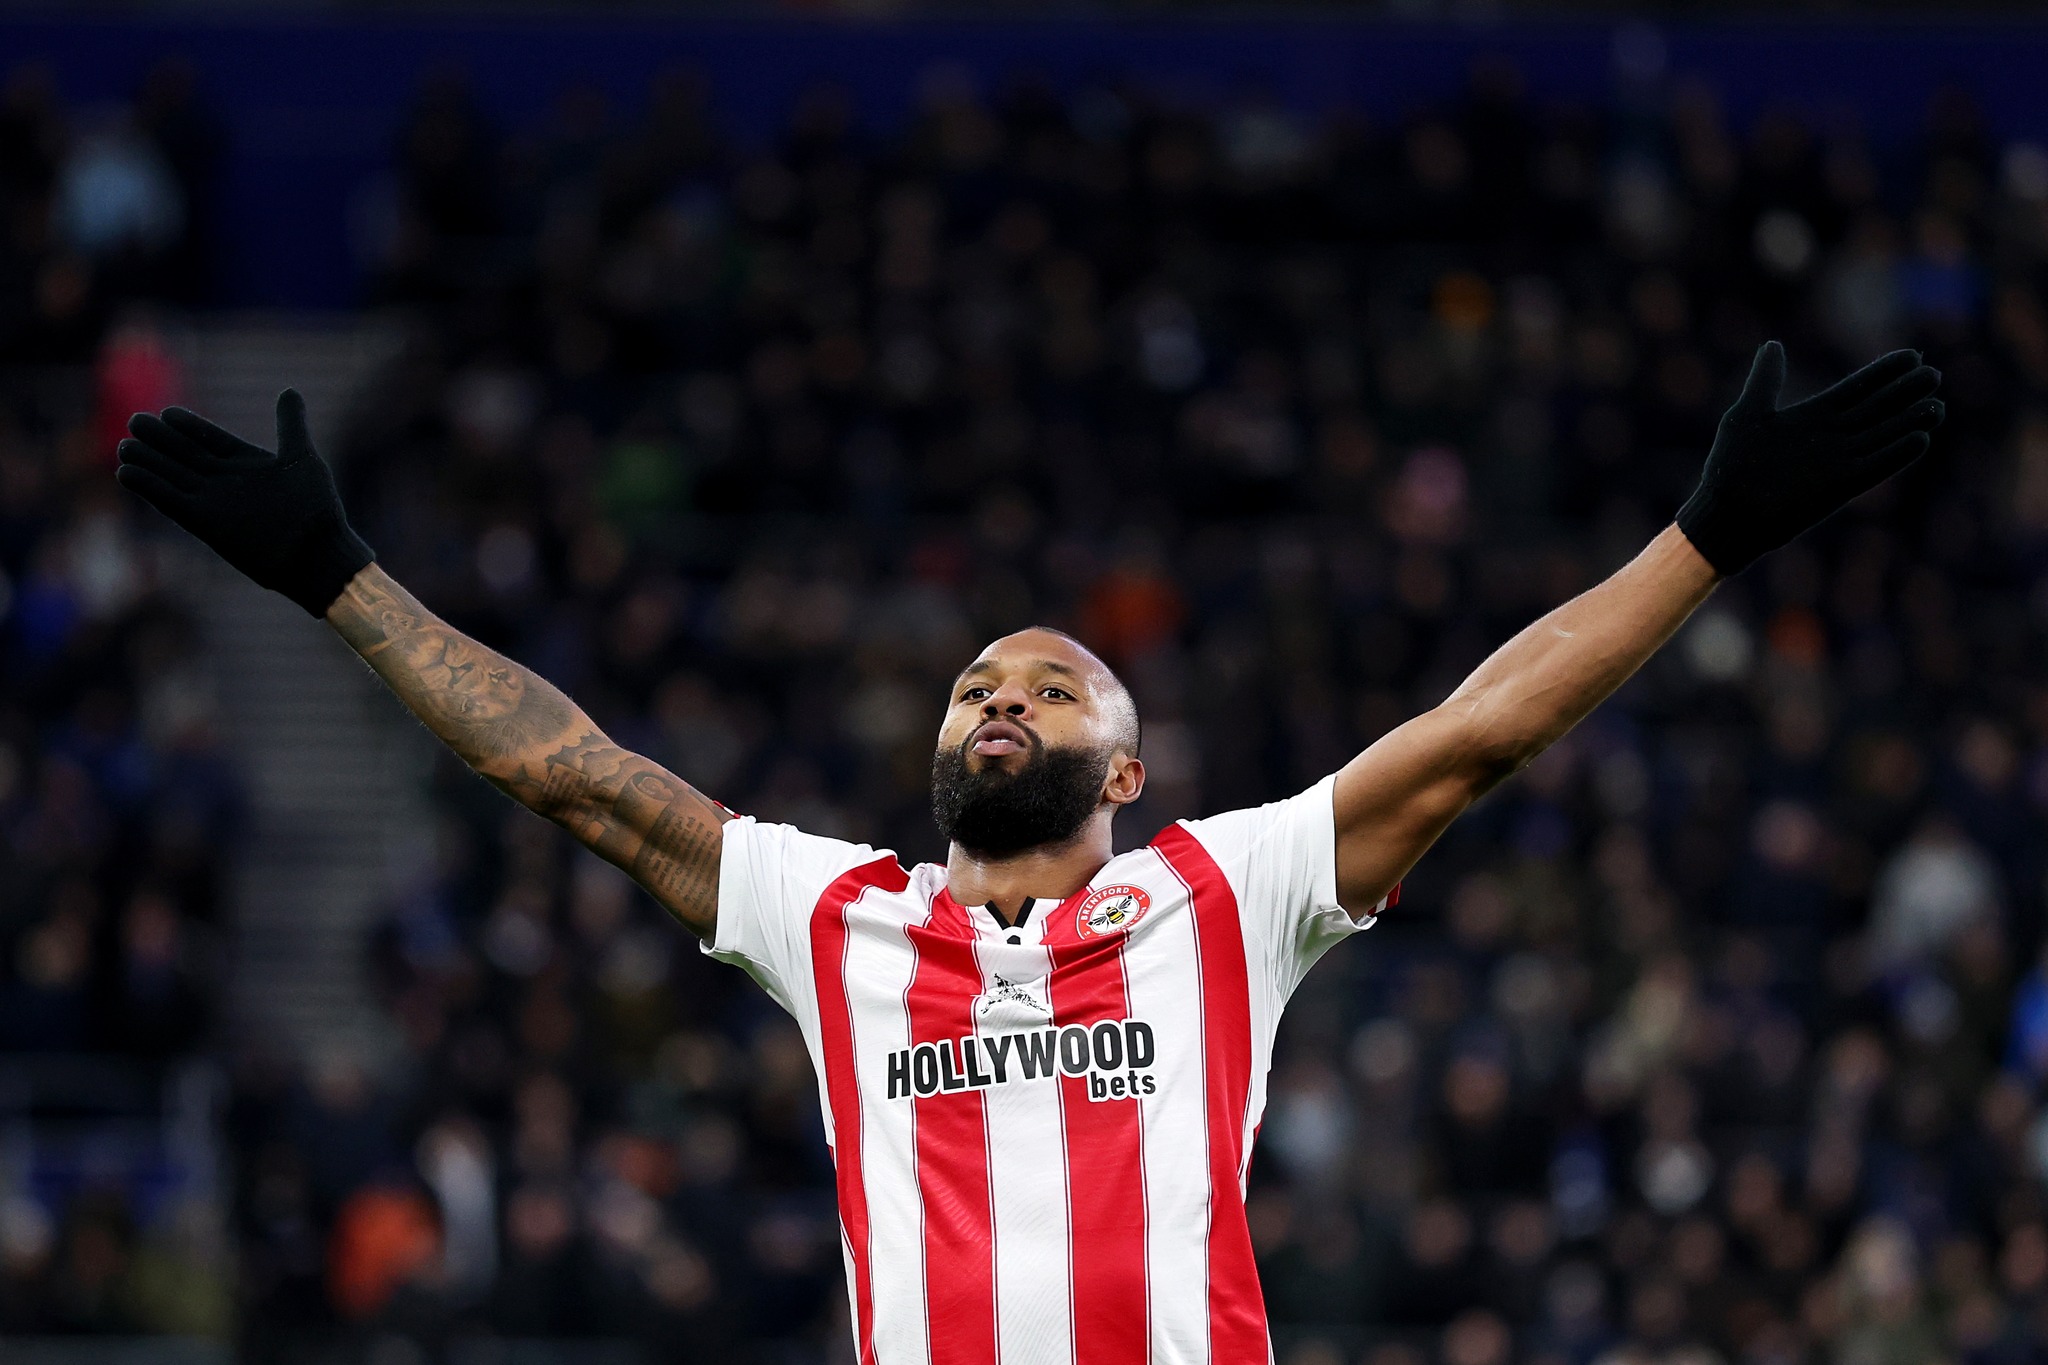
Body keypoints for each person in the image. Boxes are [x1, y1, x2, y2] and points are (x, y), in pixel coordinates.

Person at [114, 342, 1942, 1364]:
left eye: (1051, 686)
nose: (1000, 696)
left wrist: (1707, 537)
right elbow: (579, 779)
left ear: (1125, 766)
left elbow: (1480, 732)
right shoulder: (837, 915)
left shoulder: (1222, 893)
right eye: (977, 682)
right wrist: (338, 581)